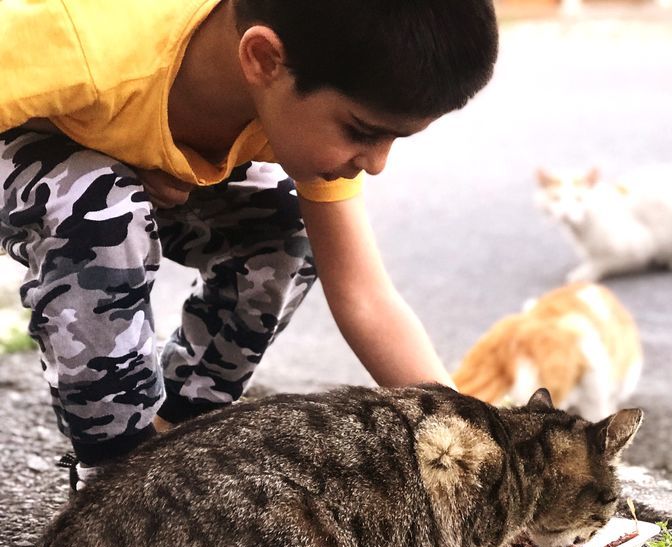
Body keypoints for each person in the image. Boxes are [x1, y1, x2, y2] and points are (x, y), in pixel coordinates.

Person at [0, 0, 499, 491]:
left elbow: (364, 296)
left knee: (285, 221)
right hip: (27, 143)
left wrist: (479, 459)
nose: (375, 164)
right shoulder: (76, 44)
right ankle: (116, 489)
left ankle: (179, 432)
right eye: (362, 131)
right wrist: (97, 152)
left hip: (107, 154)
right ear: (263, 58)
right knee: (102, 206)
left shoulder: (296, 90)